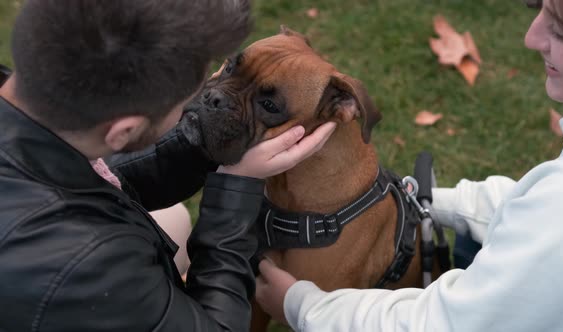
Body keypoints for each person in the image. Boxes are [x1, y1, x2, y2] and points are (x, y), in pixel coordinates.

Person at [0, 1, 336, 331]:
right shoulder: (87, 265)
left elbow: (90, 179)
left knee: (172, 218)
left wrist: (206, 144)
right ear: (124, 131)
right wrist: (236, 188)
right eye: (187, 103)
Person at [255, 0, 563, 331]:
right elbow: (538, 217)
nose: (531, 37)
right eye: (538, 10)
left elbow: (442, 324)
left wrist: (300, 305)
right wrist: (435, 202)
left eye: (560, 31)